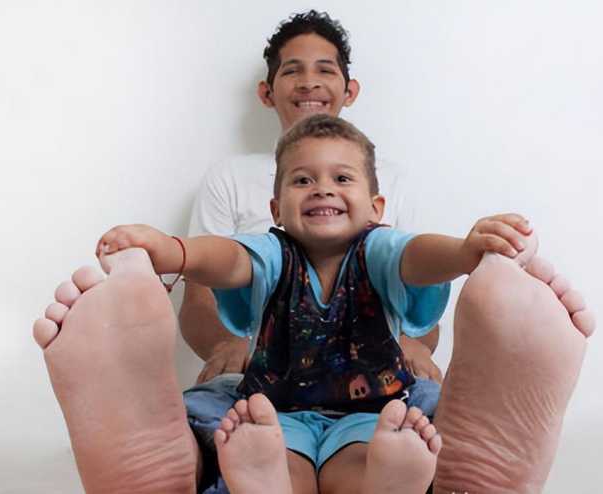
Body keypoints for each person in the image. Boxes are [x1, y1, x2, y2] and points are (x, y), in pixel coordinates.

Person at [92, 114, 537, 493]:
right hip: (273, 415)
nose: (322, 189)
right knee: (279, 462)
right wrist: (174, 251)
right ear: (276, 209)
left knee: (362, 463)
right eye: (303, 180)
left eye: (342, 178)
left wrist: (462, 253)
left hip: (374, 412)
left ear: (375, 207)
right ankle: (267, 482)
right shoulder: (272, 253)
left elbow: (417, 256)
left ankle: (387, 481)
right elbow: (227, 258)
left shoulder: (379, 250)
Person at [179, 12, 441, 490]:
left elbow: (415, 284)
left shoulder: (391, 181)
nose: (308, 82)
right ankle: (169, 459)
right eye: (292, 70)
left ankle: (463, 458)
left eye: (325, 69)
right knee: (209, 415)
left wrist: (415, 344)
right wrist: (230, 342)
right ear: (267, 92)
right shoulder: (230, 177)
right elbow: (201, 293)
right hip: (266, 385)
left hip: (374, 390)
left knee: (428, 406)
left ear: (350, 90)